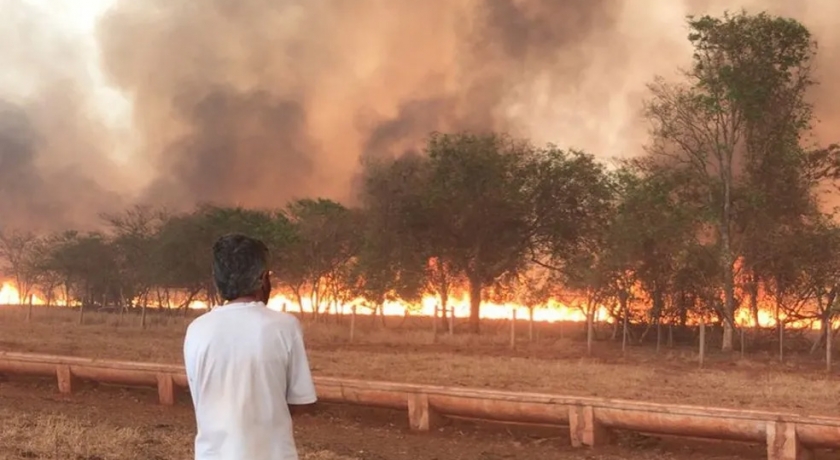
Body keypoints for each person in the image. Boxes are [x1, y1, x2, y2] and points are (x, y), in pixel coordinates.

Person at [184, 234, 317, 460]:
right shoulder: (285, 326)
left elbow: (202, 398)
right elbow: (301, 401)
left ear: (217, 279)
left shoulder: (197, 329)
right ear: (263, 278)